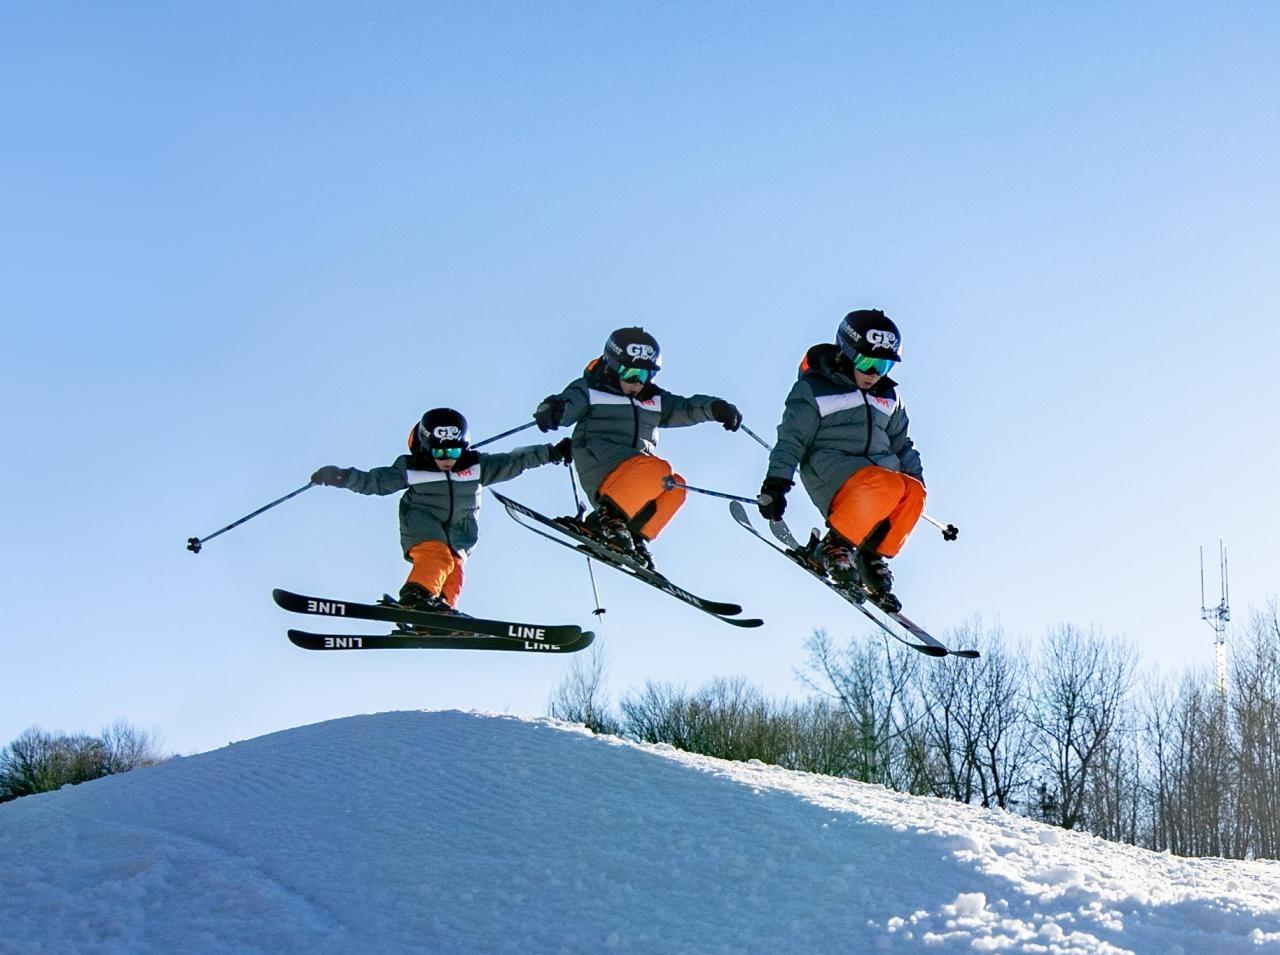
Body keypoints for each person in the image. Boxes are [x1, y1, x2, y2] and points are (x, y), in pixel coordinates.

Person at [310, 408, 572, 613]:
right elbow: (375, 482)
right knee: (437, 559)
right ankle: (416, 596)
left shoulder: (477, 466)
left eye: (454, 450)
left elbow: (516, 460)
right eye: (439, 450)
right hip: (423, 524)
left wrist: (551, 453)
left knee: (454, 573)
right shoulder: (412, 469)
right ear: (426, 446)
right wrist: (341, 477)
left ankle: (439, 612)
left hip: (459, 533)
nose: (447, 457)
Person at [532, 327, 742, 569]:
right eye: (631, 373)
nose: (637, 383)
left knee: (675, 486)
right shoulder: (591, 390)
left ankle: (631, 534)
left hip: (635, 475)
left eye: (645, 375)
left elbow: (685, 408)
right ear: (612, 365)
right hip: (600, 461)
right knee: (659, 470)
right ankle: (609, 522)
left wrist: (715, 408)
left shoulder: (653, 399)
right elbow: (568, 405)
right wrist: (553, 410)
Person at [757, 309, 924, 612]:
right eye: (868, 362)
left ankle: (870, 555)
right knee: (885, 483)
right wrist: (776, 484)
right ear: (847, 354)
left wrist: (915, 481)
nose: (875, 373)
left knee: (913, 493)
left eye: (884, 365)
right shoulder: (814, 390)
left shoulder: (889, 397)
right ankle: (835, 545)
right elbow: (791, 439)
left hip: (876, 484)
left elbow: (903, 444)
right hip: (832, 473)